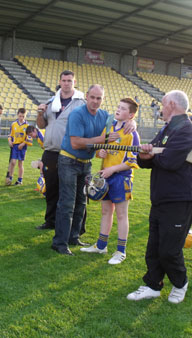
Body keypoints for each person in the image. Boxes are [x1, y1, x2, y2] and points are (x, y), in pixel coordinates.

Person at [127, 90, 192, 304]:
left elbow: (170, 161)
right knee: (154, 247)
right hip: (161, 198)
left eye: (162, 103)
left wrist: (152, 154)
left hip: (179, 199)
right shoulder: (168, 128)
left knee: (169, 250)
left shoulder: (188, 130)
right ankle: (153, 285)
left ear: (171, 104)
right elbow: (149, 158)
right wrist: (144, 154)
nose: (160, 107)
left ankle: (180, 283)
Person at [51, 84, 125, 255]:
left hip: (86, 163)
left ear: (103, 99)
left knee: (82, 201)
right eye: (92, 97)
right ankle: (59, 243)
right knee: (67, 202)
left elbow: (122, 120)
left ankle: (73, 236)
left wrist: (132, 124)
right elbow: (76, 142)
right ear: (86, 97)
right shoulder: (77, 114)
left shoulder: (104, 116)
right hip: (69, 160)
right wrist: (103, 139)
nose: (95, 101)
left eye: (99, 98)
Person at [80, 98, 140, 264]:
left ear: (131, 115)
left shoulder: (132, 133)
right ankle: (101, 246)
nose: (118, 110)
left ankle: (121, 251)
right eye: (118, 107)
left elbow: (131, 161)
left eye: (123, 108)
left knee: (121, 214)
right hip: (106, 176)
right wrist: (101, 153)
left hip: (121, 177)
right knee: (106, 211)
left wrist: (112, 169)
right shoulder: (109, 127)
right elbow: (99, 148)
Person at [36, 70, 85, 230]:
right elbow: (41, 125)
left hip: (70, 154)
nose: (66, 83)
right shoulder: (51, 101)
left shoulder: (80, 102)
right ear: (60, 81)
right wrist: (40, 113)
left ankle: (74, 227)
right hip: (50, 152)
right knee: (51, 189)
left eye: (69, 80)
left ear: (74, 82)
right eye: (64, 80)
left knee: (72, 192)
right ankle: (50, 221)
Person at [5, 108, 31, 186]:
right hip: (15, 146)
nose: (21, 118)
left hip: (22, 146)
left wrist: (23, 144)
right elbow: (10, 135)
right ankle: (10, 178)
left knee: (20, 164)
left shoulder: (27, 125)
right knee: (12, 162)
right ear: (17, 115)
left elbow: (29, 137)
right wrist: (9, 141)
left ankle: (19, 180)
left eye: (23, 116)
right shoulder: (13, 124)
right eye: (20, 116)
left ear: (25, 116)